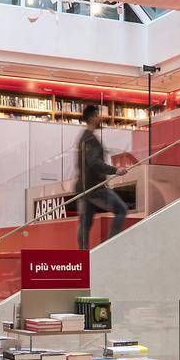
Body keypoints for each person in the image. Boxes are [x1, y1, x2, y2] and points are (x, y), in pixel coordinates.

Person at [75, 103, 128, 250]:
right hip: (95, 187)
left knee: (85, 224)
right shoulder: (90, 139)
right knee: (122, 210)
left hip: (85, 188)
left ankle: (83, 257)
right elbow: (94, 162)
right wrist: (115, 170)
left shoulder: (84, 138)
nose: (100, 118)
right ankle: (109, 249)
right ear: (92, 118)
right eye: (98, 115)